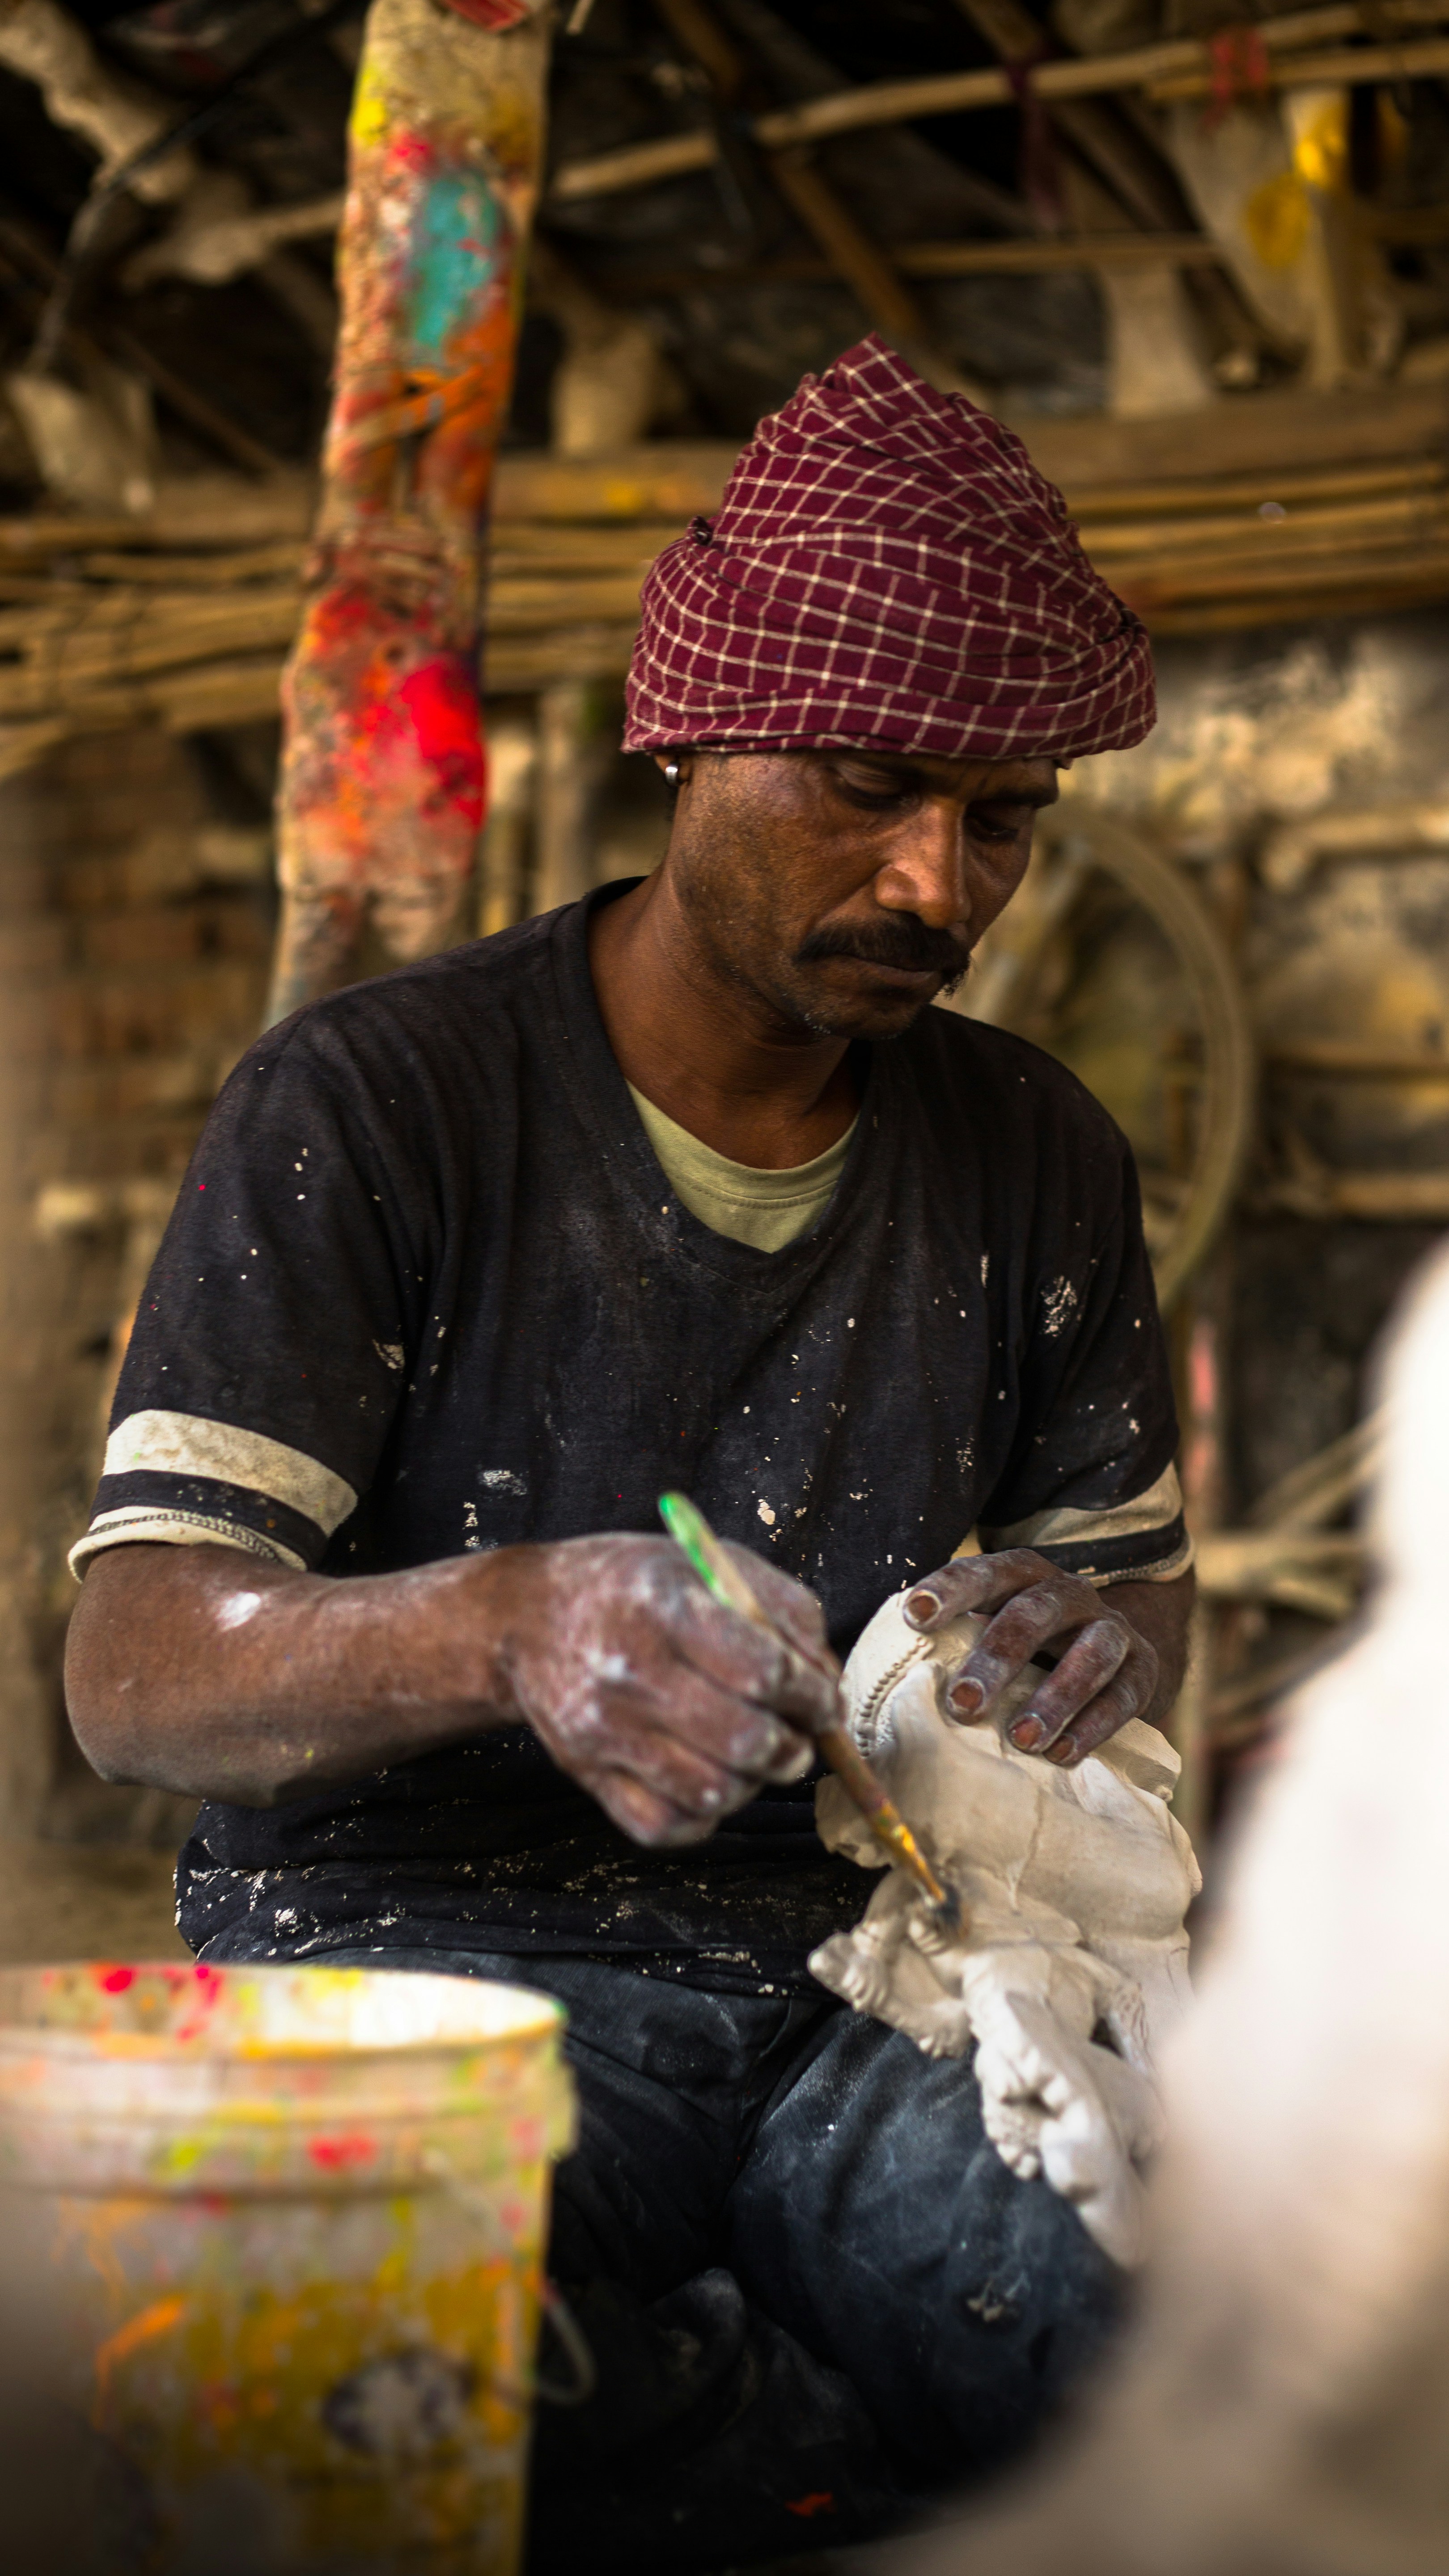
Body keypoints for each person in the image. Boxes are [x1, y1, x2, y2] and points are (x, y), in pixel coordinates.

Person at [64, 338, 1194, 2569]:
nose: (938, 884)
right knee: (405, 2395)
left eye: (1004, 821)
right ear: (679, 733)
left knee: (1122, 2375)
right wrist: (511, 1620)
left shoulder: (1034, 1153)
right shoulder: (375, 1109)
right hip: (404, 1968)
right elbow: (135, 1671)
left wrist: (1097, 1643)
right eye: (870, 786)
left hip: (843, 1974)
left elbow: (1140, 1590)